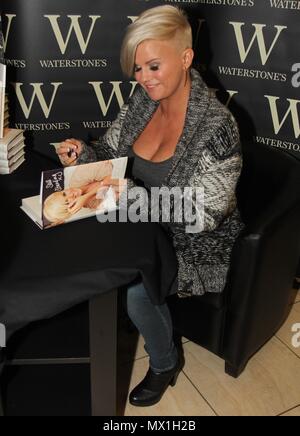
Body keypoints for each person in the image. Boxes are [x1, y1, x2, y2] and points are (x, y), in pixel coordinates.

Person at [56, 5, 244, 407]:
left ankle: (164, 363)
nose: (143, 78)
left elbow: (204, 213)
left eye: (153, 66)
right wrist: (82, 155)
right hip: (135, 220)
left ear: (186, 57)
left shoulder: (218, 127)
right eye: (138, 69)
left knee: (139, 291)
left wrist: (130, 198)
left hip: (192, 242)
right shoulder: (142, 102)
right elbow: (109, 152)